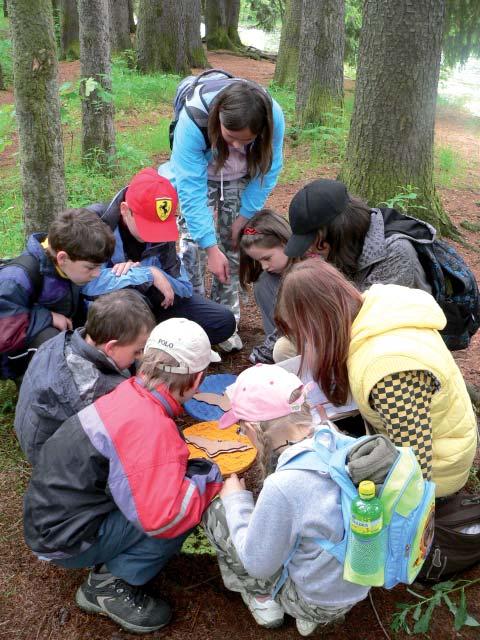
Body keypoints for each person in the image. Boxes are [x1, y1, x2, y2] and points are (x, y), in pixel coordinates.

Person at [23, 318, 223, 635]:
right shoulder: (151, 425)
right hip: (64, 537)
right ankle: (106, 585)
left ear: (146, 358)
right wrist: (210, 478)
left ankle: (108, 550)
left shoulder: (127, 391)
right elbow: (164, 517)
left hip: (52, 516)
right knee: (181, 512)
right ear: (197, 380)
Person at [275, 259, 478, 499]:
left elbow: (415, 468)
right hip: (430, 442)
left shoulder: (387, 370)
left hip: (440, 470)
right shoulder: (375, 309)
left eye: (304, 333)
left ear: (321, 322)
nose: (306, 344)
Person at [202, 364, 370, 637]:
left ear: (254, 428)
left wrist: (236, 501)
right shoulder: (337, 439)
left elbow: (257, 563)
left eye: (242, 429)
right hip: (358, 580)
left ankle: (267, 600)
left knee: (217, 510)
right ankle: (309, 611)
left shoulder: (283, 486)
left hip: (315, 601)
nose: (243, 436)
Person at [162, 78, 285, 352]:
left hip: (240, 179)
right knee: (192, 248)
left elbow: (270, 169)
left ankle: (225, 324)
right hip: (200, 177)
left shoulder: (273, 116)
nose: (238, 147)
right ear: (217, 120)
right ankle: (190, 323)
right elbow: (190, 188)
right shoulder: (193, 121)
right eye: (230, 137)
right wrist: (209, 244)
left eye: (248, 141)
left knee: (234, 248)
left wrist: (245, 215)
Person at [271, 177, 436, 362]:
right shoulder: (341, 245)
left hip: (391, 344)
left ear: (331, 232)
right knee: (283, 348)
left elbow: (366, 322)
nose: (307, 249)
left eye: (310, 241)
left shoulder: (395, 253)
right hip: (347, 328)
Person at [83, 167, 236, 347]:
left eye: (158, 227)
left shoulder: (161, 232)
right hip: (111, 312)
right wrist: (148, 274)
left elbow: (184, 287)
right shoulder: (94, 223)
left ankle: (155, 344)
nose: (153, 235)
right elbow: (83, 283)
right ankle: (139, 349)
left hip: (155, 303)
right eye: (147, 225)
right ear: (125, 210)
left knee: (222, 321)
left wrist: (155, 274)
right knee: (129, 302)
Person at [14, 289, 155, 465]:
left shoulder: (61, 340)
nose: (140, 357)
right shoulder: (96, 388)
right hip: (53, 462)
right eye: (137, 351)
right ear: (111, 347)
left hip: (33, 432)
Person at [0, 208, 115, 380]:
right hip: (12, 356)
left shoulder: (71, 265)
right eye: (91, 268)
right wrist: (47, 317)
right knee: (52, 342)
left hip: (58, 328)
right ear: (62, 258)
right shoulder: (17, 278)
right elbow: (5, 334)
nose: (97, 273)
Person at [238, 209, 292, 363]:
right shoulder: (267, 281)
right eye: (259, 261)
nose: (264, 266)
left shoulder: (311, 272)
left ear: (284, 242)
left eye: (267, 258)